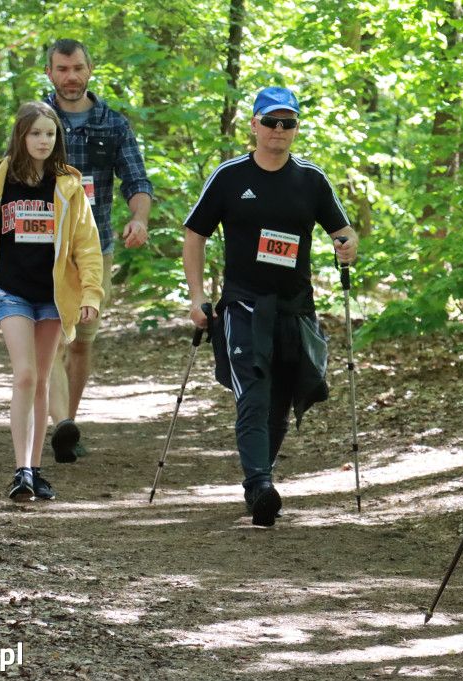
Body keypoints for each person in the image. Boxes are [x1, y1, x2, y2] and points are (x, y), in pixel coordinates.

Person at [183, 86, 358, 527]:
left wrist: (347, 246)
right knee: (255, 393)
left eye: (288, 123)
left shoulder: (311, 180)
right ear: (254, 125)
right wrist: (196, 296)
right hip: (242, 306)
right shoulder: (229, 176)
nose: (279, 131)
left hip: (296, 309)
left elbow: (344, 231)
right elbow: (194, 236)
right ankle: (259, 484)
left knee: (282, 398)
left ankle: (262, 480)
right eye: (271, 122)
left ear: (296, 128)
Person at [0, 102, 103, 502]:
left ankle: (35, 471)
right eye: (36, 133)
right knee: (24, 374)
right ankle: (20, 467)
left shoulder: (67, 186)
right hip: (10, 292)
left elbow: (87, 246)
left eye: (50, 134)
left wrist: (91, 293)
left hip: (54, 299)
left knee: (42, 379)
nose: (44, 141)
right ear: (21, 136)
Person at [43, 38, 154, 463]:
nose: (71, 77)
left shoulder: (114, 123)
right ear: (50, 73)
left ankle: (66, 426)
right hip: (43, 248)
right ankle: (58, 424)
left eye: (77, 68)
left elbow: (137, 181)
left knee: (81, 341)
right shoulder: (36, 120)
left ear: (90, 70)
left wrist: (139, 218)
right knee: (50, 339)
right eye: (62, 69)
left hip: (97, 249)